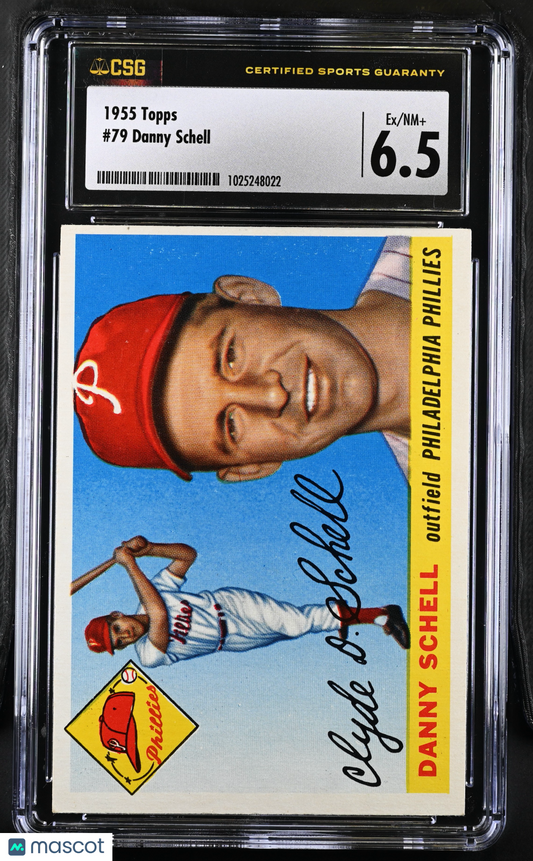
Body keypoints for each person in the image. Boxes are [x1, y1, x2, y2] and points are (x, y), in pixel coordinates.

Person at [73, 236, 410, 482]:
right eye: (231, 427)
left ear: (249, 295)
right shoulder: (441, 526)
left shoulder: (426, 227)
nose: (273, 396)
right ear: (252, 468)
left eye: (230, 357)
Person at [84, 536, 410, 667]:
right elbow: (159, 615)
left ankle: (381, 615)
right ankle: (358, 615)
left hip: (231, 605)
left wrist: (150, 549)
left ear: (116, 614)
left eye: (116, 628)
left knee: (297, 622)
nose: (125, 635)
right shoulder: (147, 656)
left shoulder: (153, 591)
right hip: (233, 641)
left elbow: (187, 556)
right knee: (297, 627)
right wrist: (130, 564)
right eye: (119, 643)